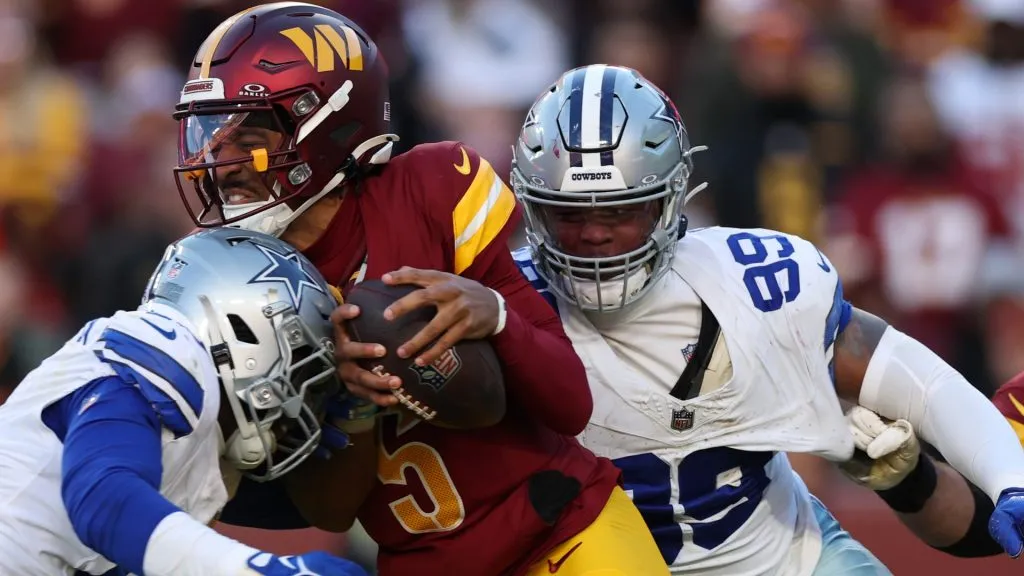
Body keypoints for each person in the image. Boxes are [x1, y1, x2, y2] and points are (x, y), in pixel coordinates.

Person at [171, 3, 666, 575]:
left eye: (246, 134)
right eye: (210, 131)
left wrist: (498, 317)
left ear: (329, 123)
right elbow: (330, 513)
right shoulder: (232, 284)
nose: (217, 161)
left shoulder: (427, 192)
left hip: (562, 528)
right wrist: (348, 401)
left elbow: (571, 404)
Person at [508, 64, 1024, 574]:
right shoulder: (503, 301)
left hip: (782, 561)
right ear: (534, 208)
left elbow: (923, 386)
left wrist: (1010, 479)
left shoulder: (756, 283)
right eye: (570, 213)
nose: (595, 235)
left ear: (668, 198)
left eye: (621, 210)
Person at [0, 227, 366, 576]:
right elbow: (104, 502)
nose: (303, 403)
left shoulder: (195, 428)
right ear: (248, 331)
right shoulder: (164, 352)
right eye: (301, 366)